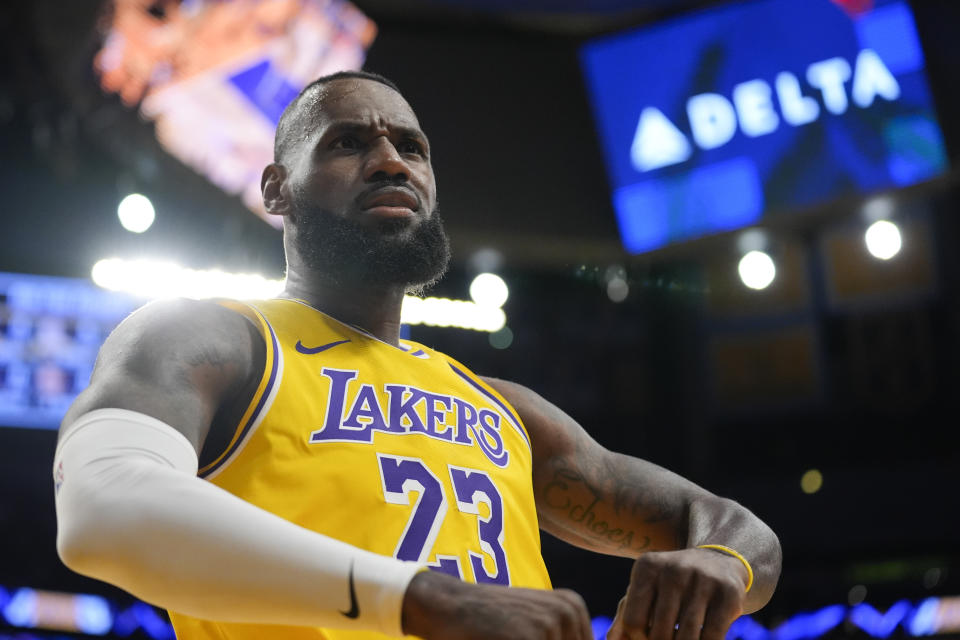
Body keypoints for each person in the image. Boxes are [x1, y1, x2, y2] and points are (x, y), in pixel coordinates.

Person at [53, 70, 781, 640]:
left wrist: (717, 563)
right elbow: (101, 507)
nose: (390, 161)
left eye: (412, 147)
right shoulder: (214, 339)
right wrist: (420, 598)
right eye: (347, 142)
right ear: (277, 187)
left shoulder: (503, 409)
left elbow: (736, 527)